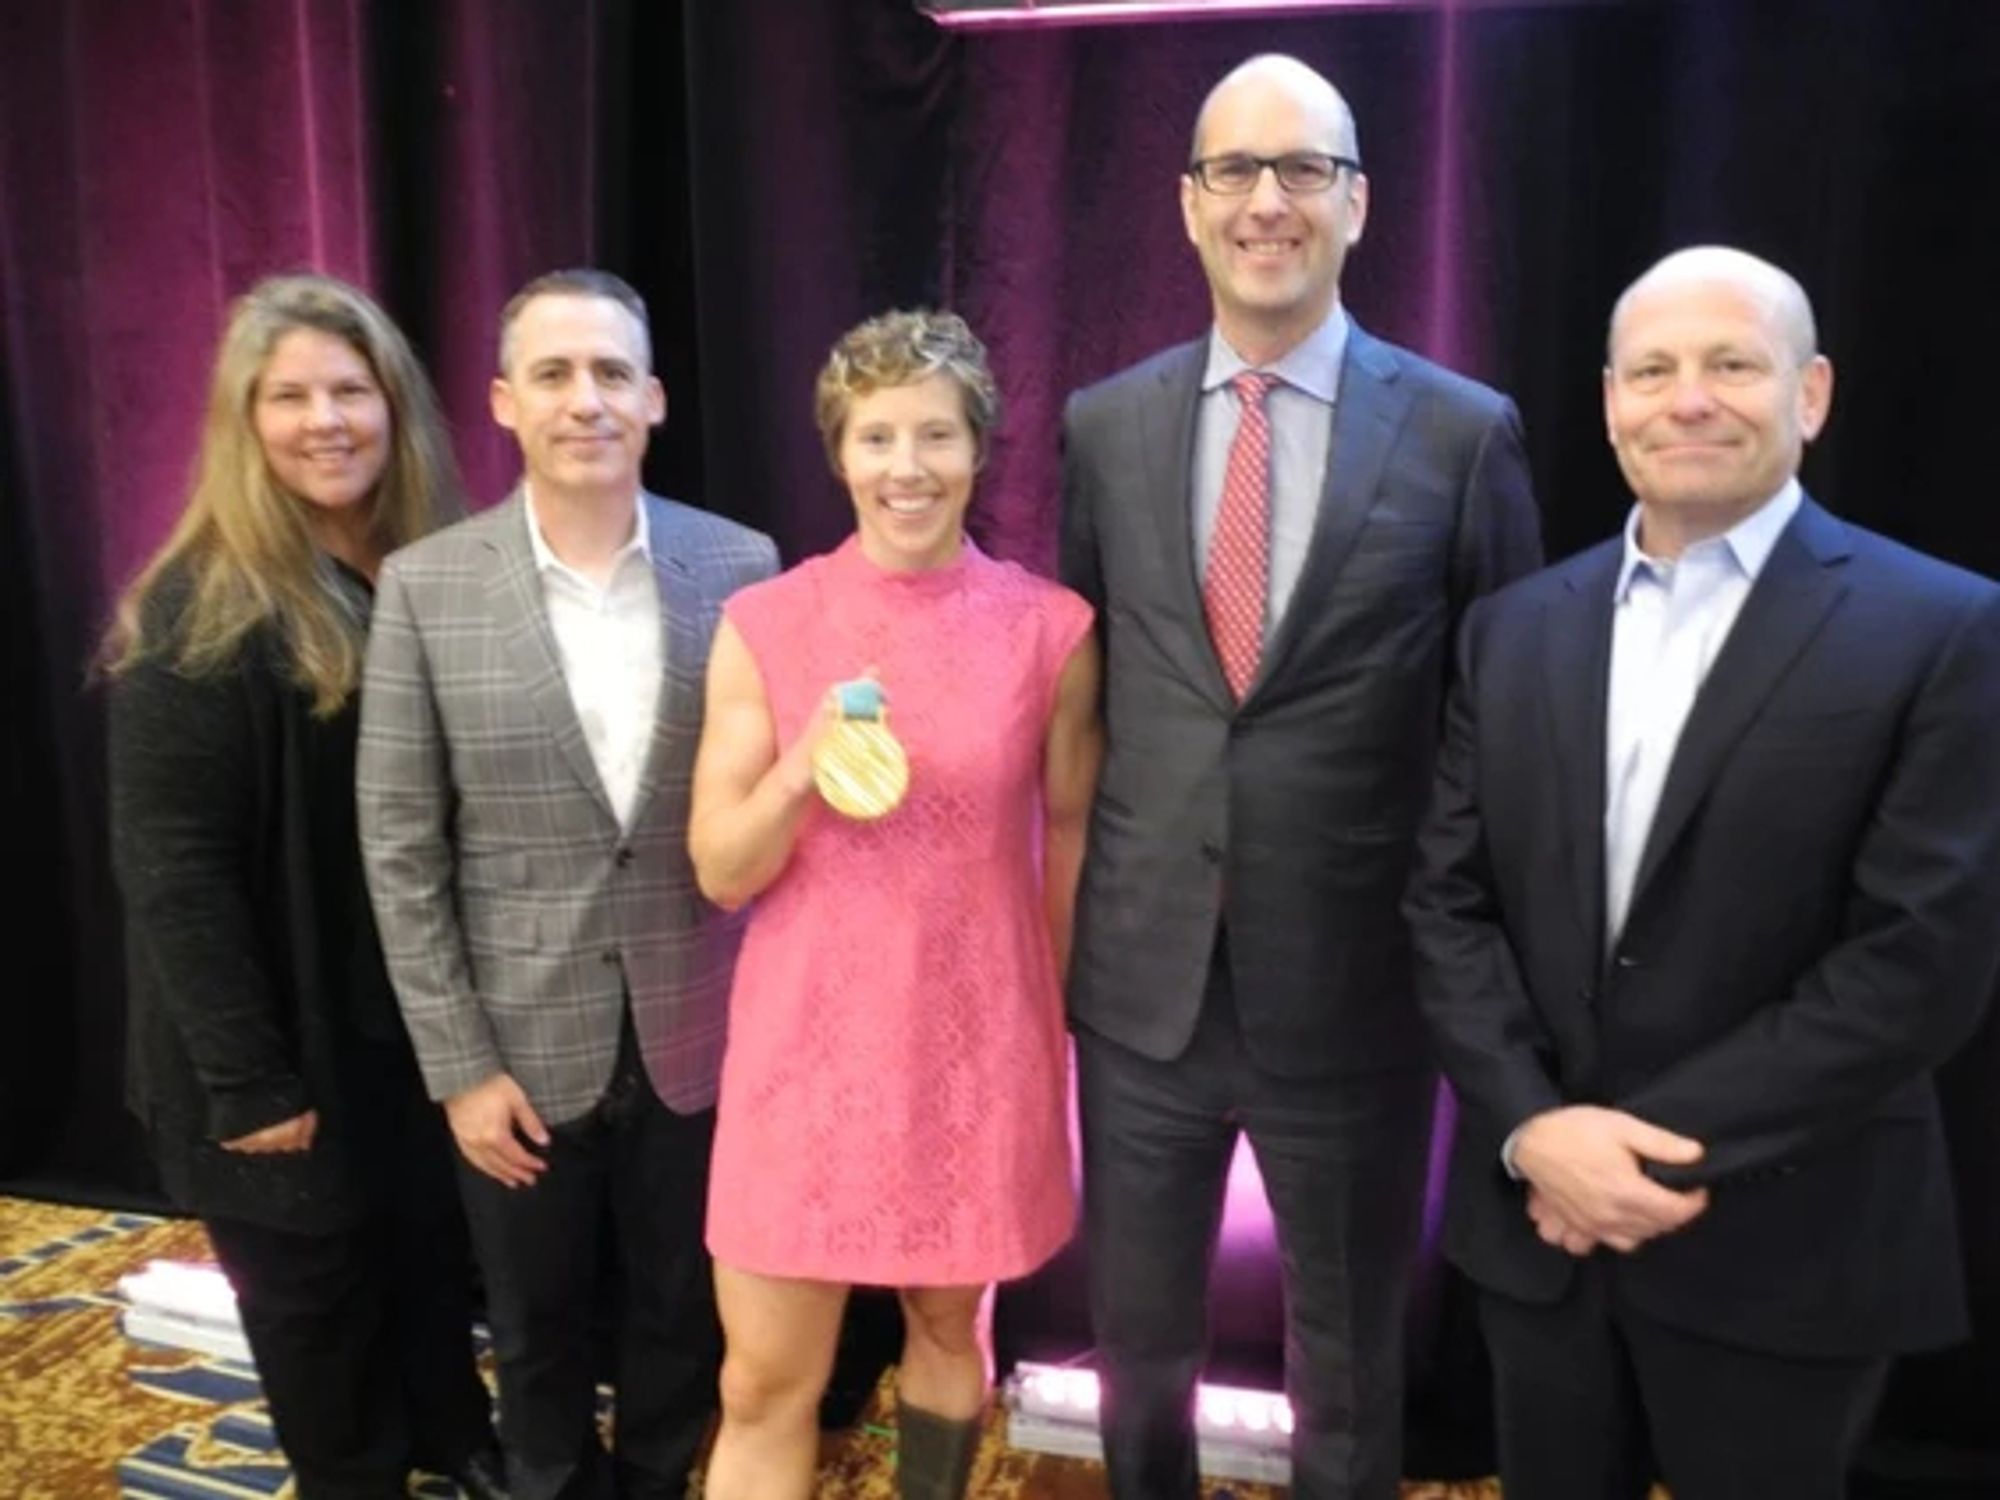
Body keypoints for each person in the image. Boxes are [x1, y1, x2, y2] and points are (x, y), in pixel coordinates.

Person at [1404, 245, 2000, 1498]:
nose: (1687, 398)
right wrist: (1532, 1134)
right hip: (1538, 1237)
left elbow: (1920, 959)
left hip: (1786, 1239)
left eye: (1730, 364)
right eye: (1653, 369)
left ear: (1812, 393)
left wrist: (1627, 1158)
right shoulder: (1510, 631)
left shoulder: (1943, 627)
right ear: (1609, 397)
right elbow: (1447, 906)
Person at [1056, 53, 1543, 1500]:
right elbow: (1095, 685)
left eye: (1304, 169)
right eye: (1234, 171)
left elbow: (1496, 716)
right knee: (1134, 1351)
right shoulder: (1105, 424)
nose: (1268, 200)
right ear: (1187, 206)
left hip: (1356, 989)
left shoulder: (1464, 433)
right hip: (1143, 989)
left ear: (1360, 203)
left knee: (1347, 1362)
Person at [356, 268, 778, 1500]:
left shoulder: (743, 565)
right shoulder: (426, 588)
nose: (582, 398)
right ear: (501, 401)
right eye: (552, 373)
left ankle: (653, 1480)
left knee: (677, 1318)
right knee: (534, 1336)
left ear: (651, 399)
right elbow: (398, 846)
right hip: (513, 1056)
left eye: (608, 373)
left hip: (704, 1033)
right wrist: (458, 1070)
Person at [687, 309, 1102, 1500]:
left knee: (943, 1331)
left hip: (970, 1046)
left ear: (978, 451)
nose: (906, 466)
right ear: (839, 454)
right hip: (802, 1053)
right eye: (877, 437)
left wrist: (1049, 1019)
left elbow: (1069, 836)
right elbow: (720, 866)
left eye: (935, 435)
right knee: (762, 1385)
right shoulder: (765, 625)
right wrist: (802, 761)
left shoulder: (1048, 629)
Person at [105, 273, 504, 1500]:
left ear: (397, 409)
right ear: (245, 421)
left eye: (350, 389)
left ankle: (459, 1444)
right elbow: (175, 870)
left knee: (428, 1271)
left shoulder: (439, 574)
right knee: (318, 1315)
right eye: (289, 396)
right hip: (275, 1051)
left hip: (407, 1031)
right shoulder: (199, 611)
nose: (324, 419)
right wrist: (248, 1080)